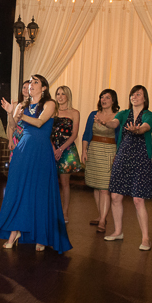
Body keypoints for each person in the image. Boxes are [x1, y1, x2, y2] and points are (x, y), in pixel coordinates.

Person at [0, 74, 72, 253]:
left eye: (36, 82)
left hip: (41, 150)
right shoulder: (22, 105)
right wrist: (11, 113)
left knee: (40, 191)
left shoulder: (50, 103)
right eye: (30, 82)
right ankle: (14, 232)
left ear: (44, 87)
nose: (31, 85)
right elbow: (14, 124)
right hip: (23, 150)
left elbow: (39, 122)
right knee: (18, 190)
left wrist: (19, 114)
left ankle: (42, 235)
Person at [106, 85, 152, 250]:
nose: (134, 97)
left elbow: (146, 127)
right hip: (123, 156)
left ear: (144, 98)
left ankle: (145, 238)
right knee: (115, 197)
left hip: (141, 158)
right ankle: (118, 231)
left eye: (138, 94)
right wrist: (105, 122)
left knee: (138, 199)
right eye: (132, 94)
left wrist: (138, 129)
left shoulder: (150, 115)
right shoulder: (123, 114)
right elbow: (114, 123)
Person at [82, 89, 119, 234]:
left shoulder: (118, 116)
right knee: (96, 186)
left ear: (113, 100)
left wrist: (118, 155)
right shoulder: (93, 114)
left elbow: (120, 137)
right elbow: (86, 134)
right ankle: (100, 215)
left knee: (105, 188)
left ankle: (103, 220)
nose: (104, 100)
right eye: (102, 97)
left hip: (110, 151)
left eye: (107, 97)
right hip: (94, 151)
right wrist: (84, 150)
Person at [53, 85, 82, 223]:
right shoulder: (52, 111)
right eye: (58, 93)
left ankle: (65, 212)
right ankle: (51, 209)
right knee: (50, 182)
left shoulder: (74, 112)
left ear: (68, 96)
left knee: (65, 183)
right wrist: (53, 147)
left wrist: (61, 149)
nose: (60, 96)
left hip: (67, 149)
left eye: (63, 94)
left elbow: (74, 134)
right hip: (51, 148)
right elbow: (47, 131)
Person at [1, 80, 30, 164]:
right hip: (16, 135)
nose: (25, 90)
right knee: (15, 161)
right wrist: (10, 140)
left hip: (27, 136)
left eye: (28, 88)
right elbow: (11, 125)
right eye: (24, 87)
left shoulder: (33, 106)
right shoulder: (15, 105)